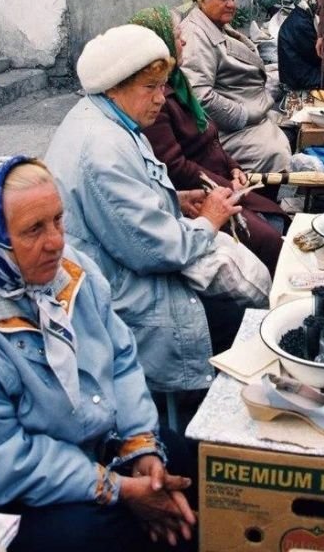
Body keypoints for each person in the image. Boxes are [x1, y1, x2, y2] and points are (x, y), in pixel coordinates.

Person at [0, 157, 197, 552]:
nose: (56, 241)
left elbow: (121, 358)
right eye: (33, 230)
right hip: (2, 491)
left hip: (88, 444)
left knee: (181, 458)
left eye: (58, 220)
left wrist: (140, 446)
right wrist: (117, 488)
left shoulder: (70, 270)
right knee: (96, 534)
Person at [45, 24, 270, 396]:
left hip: (119, 268)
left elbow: (127, 206)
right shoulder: (102, 148)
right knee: (244, 323)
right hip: (117, 295)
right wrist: (210, 221)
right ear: (115, 86)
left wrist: (175, 200)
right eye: (150, 88)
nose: (161, 98)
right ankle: (206, 416)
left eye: (163, 86)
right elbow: (157, 250)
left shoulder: (109, 120)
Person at [130, 5, 284, 276]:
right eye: (177, 35)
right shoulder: (157, 101)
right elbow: (176, 168)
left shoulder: (179, 82)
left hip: (219, 179)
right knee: (270, 239)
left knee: (277, 219)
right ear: (159, 42)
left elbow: (211, 137)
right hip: (200, 194)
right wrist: (228, 187)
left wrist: (234, 167)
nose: (184, 40)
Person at [179, 0, 292, 172]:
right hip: (224, 129)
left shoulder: (214, 25)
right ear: (203, 1)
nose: (231, 4)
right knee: (275, 153)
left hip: (248, 115)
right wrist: (243, 115)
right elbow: (198, 94)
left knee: (287, 135)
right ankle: (256, 201)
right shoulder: (195, 35)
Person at [277, 0, 324, 91]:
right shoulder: (301, 23)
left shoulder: (300, 15)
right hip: (299, 77)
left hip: (296, 73)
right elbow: (316, 54)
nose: (319, 3)